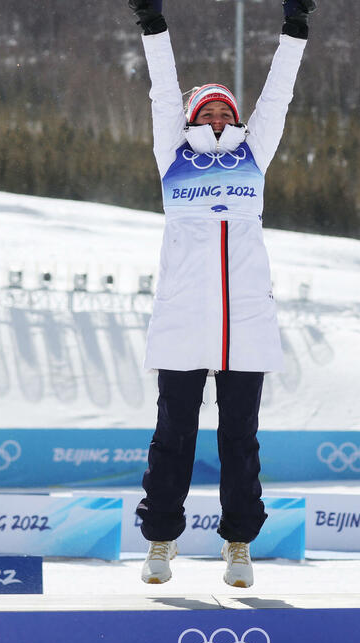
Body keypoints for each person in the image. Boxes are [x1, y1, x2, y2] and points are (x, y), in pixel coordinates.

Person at [127, 0, 315, 588]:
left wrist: (295, 31)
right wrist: (153, 27)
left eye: (222, 110)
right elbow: (162, 92)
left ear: (233, 118)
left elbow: (277, 98)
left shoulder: (253, 153)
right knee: (172, 438)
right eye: (204, 109)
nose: (213, 115)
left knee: (240, 441)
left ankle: (239, 543)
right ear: (189, 118)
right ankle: (160, 539)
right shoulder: (172, 155)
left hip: (246, 324)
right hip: (184, 319)